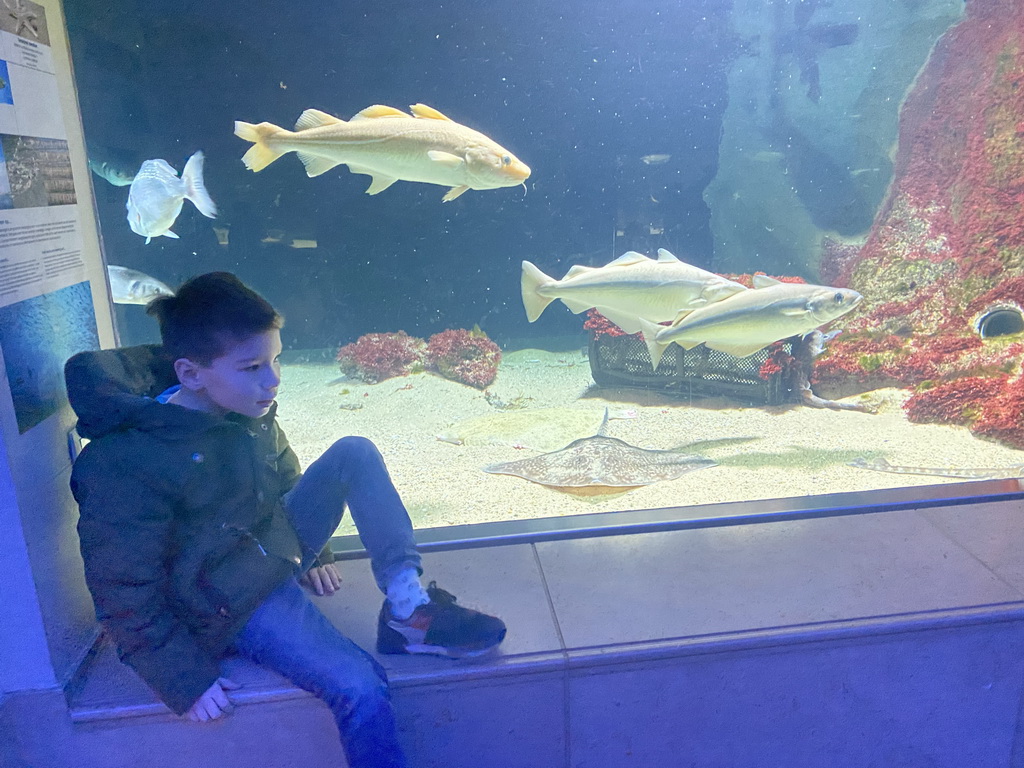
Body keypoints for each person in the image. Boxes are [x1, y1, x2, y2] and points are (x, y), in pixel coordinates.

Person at [65, 272, 506, 768]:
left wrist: (313, 549)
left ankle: (408, 608)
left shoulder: (243, 405)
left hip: (269, 547)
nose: (273, 380)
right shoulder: (126, 460)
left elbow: (286, 476)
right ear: (190, 374)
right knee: (359, 687)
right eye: (253, 366)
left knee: (353, 453)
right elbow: (120, 586)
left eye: (277, 360)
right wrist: (181, 679)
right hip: (230, 600)